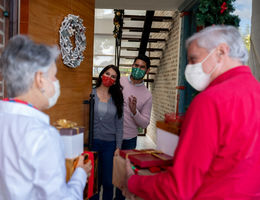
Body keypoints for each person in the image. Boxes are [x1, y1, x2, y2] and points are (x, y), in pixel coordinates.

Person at [125, 25, 260, 199]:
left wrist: (131, 181)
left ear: (221, 51)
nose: (189, 68)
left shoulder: (210, 101)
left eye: (194, 59)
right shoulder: (255, 91)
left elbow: (178, 189)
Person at [0, 35, 92, 200]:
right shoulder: (43, 135)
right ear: (39, 79)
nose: (56, 82)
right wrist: (80, 174)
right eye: (54, 76)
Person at [115, 55, 152, 200]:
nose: (138, 69)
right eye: (136, 65)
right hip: (111, 135)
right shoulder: (120, 81)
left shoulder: (147, 95)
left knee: (124, 175)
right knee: (109, 172)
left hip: (129, 140)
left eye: (142, 67)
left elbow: (145, 123)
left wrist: (134, 111)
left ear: (147, 71)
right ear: (132, 66)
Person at [90, 65, 124, 200]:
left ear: (115, 81)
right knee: (94, 181)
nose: (109, 77)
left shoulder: (117, 99)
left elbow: (119, 125)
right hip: (93, 143)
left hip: (110, 145)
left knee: (109, 182)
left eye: (113, 76)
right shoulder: (90, 93)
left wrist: (118, 146)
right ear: (101, 74)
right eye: (107, 73)